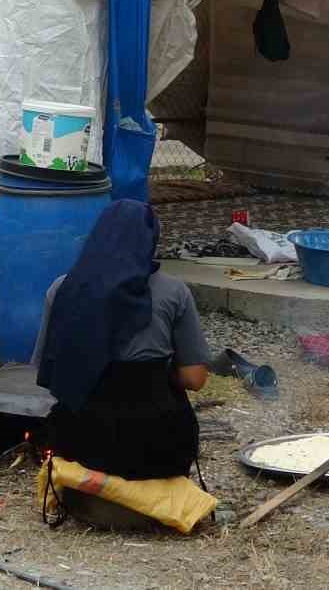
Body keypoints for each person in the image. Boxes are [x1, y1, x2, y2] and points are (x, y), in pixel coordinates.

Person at [33, 199, 210, 481]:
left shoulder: (61, 289)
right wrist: (160, 374)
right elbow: (195, 379)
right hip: (162, 454)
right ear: (151, 240)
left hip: (81, 447)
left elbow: (46, 369)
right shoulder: (174, 292)